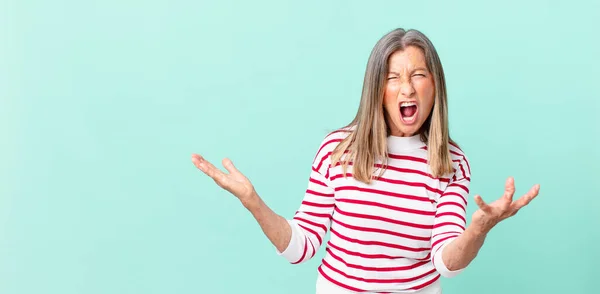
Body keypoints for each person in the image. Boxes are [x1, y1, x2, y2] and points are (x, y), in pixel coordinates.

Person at [191, 28, 540, 293]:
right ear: (377, 89)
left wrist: (476, 231)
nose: (407, 89)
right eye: (393, 78)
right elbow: (301, 245)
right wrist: (253, 202)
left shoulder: (450, 163)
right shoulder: (337, 150)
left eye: (418, 75)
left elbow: (446, 261)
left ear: (435, 86)